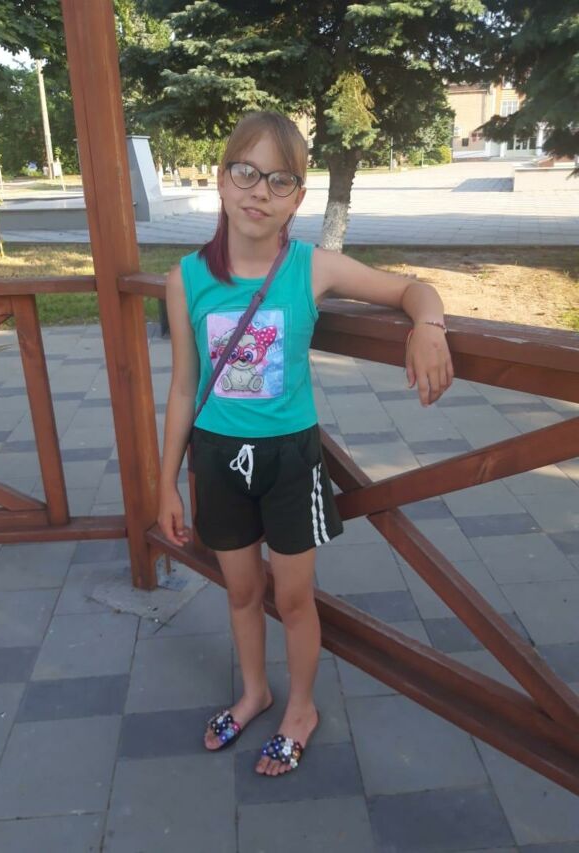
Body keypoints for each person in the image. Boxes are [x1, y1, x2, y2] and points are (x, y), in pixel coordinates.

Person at [158, 111, 453, 777]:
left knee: (292, 599)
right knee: (240, 591)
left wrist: (429, 325)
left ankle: (301, 708)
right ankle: (254, 693)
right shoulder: (186, 280)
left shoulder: (311, 268)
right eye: (245, 172)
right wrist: (165, 482)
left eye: (279, 180)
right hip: (217, 459)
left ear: (297, 197)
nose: (259, 191)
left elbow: (411, 288)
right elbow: (181, 388)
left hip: (290, 462)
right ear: (221, 180)